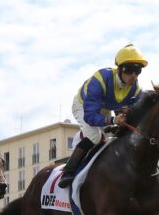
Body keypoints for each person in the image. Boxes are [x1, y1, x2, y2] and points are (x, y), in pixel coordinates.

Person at [58, 44, 147, 189]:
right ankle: (68, 171)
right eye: (129, 70)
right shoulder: (100, 79)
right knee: (96, 137)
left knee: (112, 137)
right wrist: (113, 119)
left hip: (105, 107)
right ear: (120, 69)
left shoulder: (136, 89)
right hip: (83, 105)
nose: (134, 75)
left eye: (138, 71)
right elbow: (90, 117)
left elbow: (137, 113)